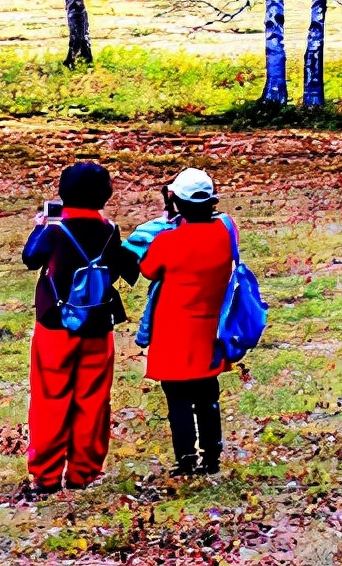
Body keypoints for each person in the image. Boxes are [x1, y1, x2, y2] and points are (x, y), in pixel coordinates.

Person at [21, 162, 139, 494]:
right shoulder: (110, 230)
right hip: (97, 324)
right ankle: (82, 473)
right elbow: (119, 270)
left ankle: (46, 475)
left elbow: (30, 258)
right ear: (106, 194)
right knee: (93, 399)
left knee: (51, 398)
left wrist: (40, 226)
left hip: (55, 325)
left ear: (62, 192)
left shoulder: (55, 229)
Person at [139, 168, 235, 476]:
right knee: (207, 396)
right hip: (208, 330)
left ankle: (185, 459)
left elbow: (149, 270)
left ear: (176, 202)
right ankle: (211, 457)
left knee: (178, 400)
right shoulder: (224, 233)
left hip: (172, 333)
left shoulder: (168, 241)